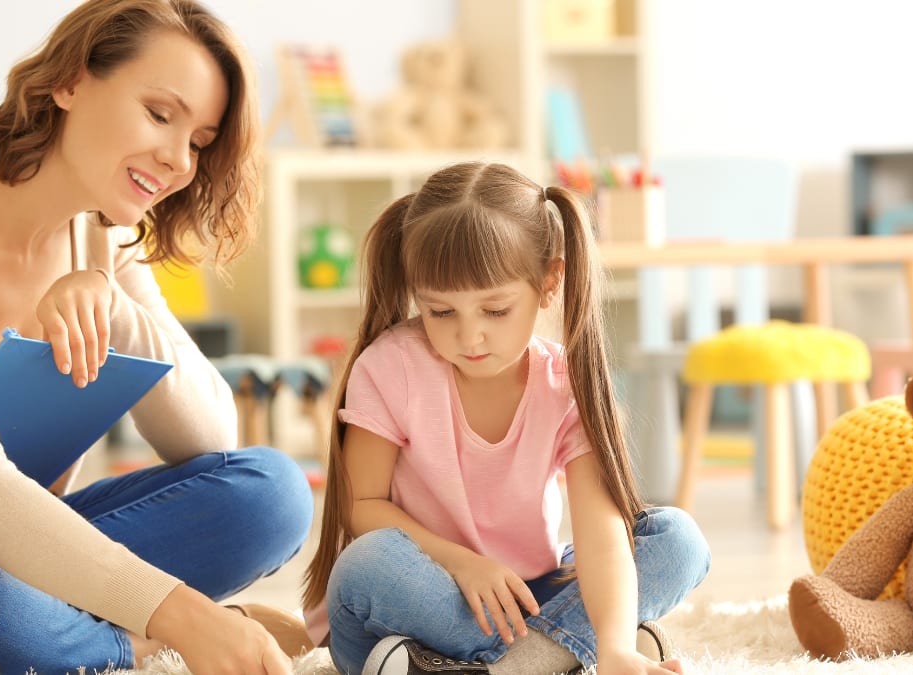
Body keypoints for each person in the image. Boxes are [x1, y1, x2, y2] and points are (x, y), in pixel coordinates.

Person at [0, 1, 314, 674]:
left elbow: (211, 438)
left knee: (272, 491)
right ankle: (134, 648)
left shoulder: (107, 234)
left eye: (198, 141)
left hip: (10, 554)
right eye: (159, 114)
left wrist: (116, 307)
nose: (177, 160)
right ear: (70, 82)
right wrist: (185, 618)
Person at [301, 162, 711, 675]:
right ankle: (557, 655)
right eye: (440, 312)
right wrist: (463, 564)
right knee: (367, 565)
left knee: (676, 540)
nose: (469, 337)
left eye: (495, 311)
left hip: (526, 595)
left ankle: (507, 665)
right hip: (426, 595)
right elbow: (362, 506)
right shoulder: (390, 365)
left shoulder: (565, 381)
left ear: (549, 282)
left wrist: (614, 648)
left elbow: (601, 530)